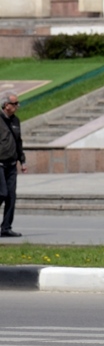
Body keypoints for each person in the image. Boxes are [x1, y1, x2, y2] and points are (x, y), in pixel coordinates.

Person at [0, 93, 26, 238]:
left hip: (11, 164)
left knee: (11, 196)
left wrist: (22, 161)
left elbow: (18, 142)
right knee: (2, 193)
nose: (17, 106)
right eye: (15, 104)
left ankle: (6, 228)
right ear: (6, 105)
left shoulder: (16, 121)